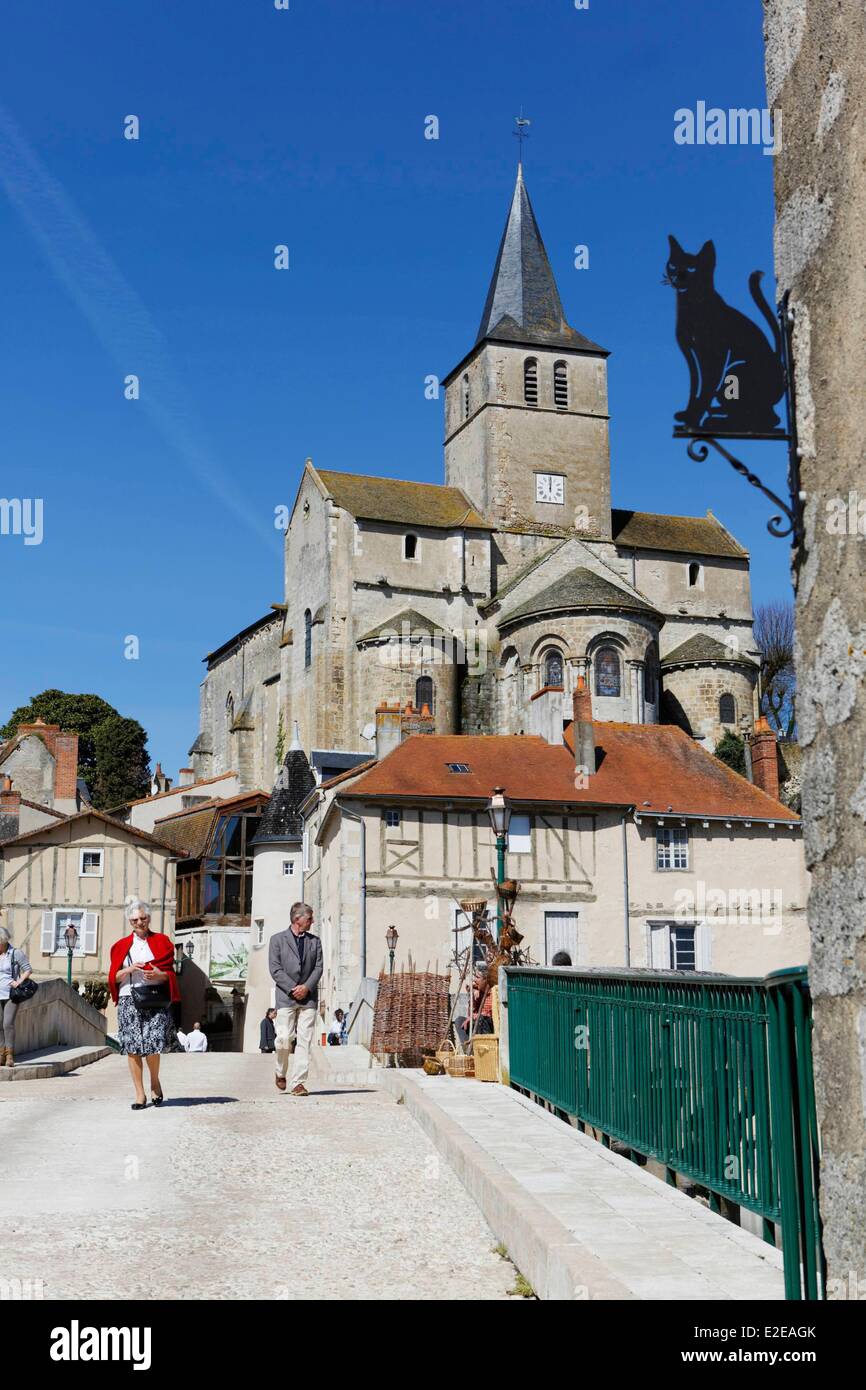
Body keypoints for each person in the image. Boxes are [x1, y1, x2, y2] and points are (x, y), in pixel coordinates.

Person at [108, 899, 181, 1110]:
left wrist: (159, 974)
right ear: (130, 922)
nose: (140, 922)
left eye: (143, 918)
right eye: (135, 920)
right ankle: (140, 1094)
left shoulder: (162, 942)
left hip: (155, 998)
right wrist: (129, 970)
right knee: (132, 1048)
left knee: (152, 1045)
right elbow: (113, 976)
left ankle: (155, 1082)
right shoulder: (120, 946)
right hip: (128, 999)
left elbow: (170, 973)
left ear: (149, 918)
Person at [268, 902, 323, 1097]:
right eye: (309, 918)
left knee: (304, 1041)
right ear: (297, 919)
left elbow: (318, 968)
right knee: (283, 1039)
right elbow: (275, 969)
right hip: (285, 997)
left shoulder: (315, 942)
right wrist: (293, 989)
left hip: (308, 999)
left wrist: (306, 987)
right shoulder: (277, 940)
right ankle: (280, 1071)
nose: (312, 921)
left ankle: (298, 1083)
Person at [0, 925, 33, 1068]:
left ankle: (9, 1055)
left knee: (7, 1024)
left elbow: (28, 969)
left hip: (11, 994)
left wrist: (18, 982)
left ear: (3, 941)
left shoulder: (15, 953)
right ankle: (1, 1054)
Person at [455, 968, 495, 1047]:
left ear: (485, 980)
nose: (474, 980)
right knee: (459, 1020)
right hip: (477, 1022)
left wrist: (474, 1016)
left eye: (477, 977)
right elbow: (470, 1013)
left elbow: (490, 1014)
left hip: (488, 1026)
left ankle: (483, 1047)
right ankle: (468, 1048)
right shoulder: (478, 993)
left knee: (481, 1018)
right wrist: (472, 995)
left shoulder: (493, 993)